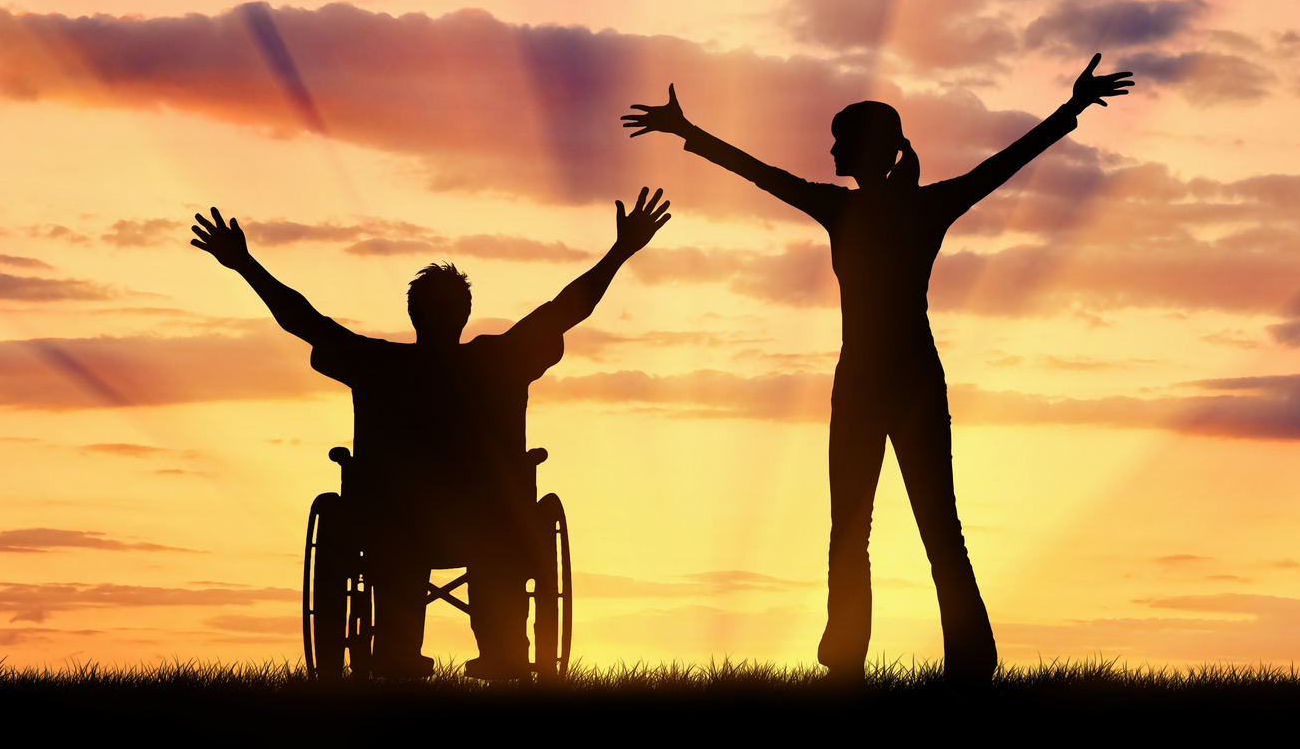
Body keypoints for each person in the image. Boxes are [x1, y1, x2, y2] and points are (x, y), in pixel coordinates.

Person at [622, 55, 1132, 682]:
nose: (830, 149)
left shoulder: (856, 210)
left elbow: (764, 176)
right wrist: (1072, 108)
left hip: (873, 382)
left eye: (840, 140)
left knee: (862, 529)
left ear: (869, 151)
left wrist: (688, 133)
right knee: (926, 526)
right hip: (901, 379)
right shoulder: (918, 207)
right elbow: (1006, 164)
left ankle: (854, 660)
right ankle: (955, 660)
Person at [189, 188, 671, 680]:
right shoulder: (499, 361)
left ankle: (397, 653)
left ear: (413, 316)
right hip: (492, 523)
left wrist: (244, 264)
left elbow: (305, 322)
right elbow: (567, 308)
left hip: (394, 525)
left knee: (403, 543)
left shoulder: (379, 365)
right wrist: (621, 251)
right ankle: (503, 650)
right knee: (495, 539)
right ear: (462, 316)